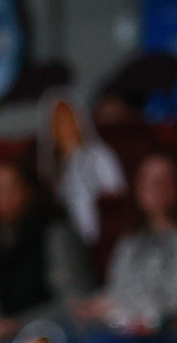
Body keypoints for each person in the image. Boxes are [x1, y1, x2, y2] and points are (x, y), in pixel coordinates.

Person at [71, 152, 177, 343]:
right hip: (122, 326)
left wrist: (117, 308)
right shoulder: (132, 239)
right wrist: (96, 305)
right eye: (147, 181)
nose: (154, 189)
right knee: (64, 338)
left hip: (169, 332)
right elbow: (116, 287)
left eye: (162, 181)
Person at [0, 160, 88, 343]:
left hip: (58, 335)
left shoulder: (55, 235)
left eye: (11, 188)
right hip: (7, 340)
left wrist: (19, 325)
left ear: (30, 190)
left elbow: (76, 304)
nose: (3, 196)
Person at [44, 90, 127, 248]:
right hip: (71, 239)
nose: (65, 127)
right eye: (59, 122)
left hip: (103, 234)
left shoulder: (99, 155)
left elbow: (117, 190)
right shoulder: (56, 169)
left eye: (69, 120)